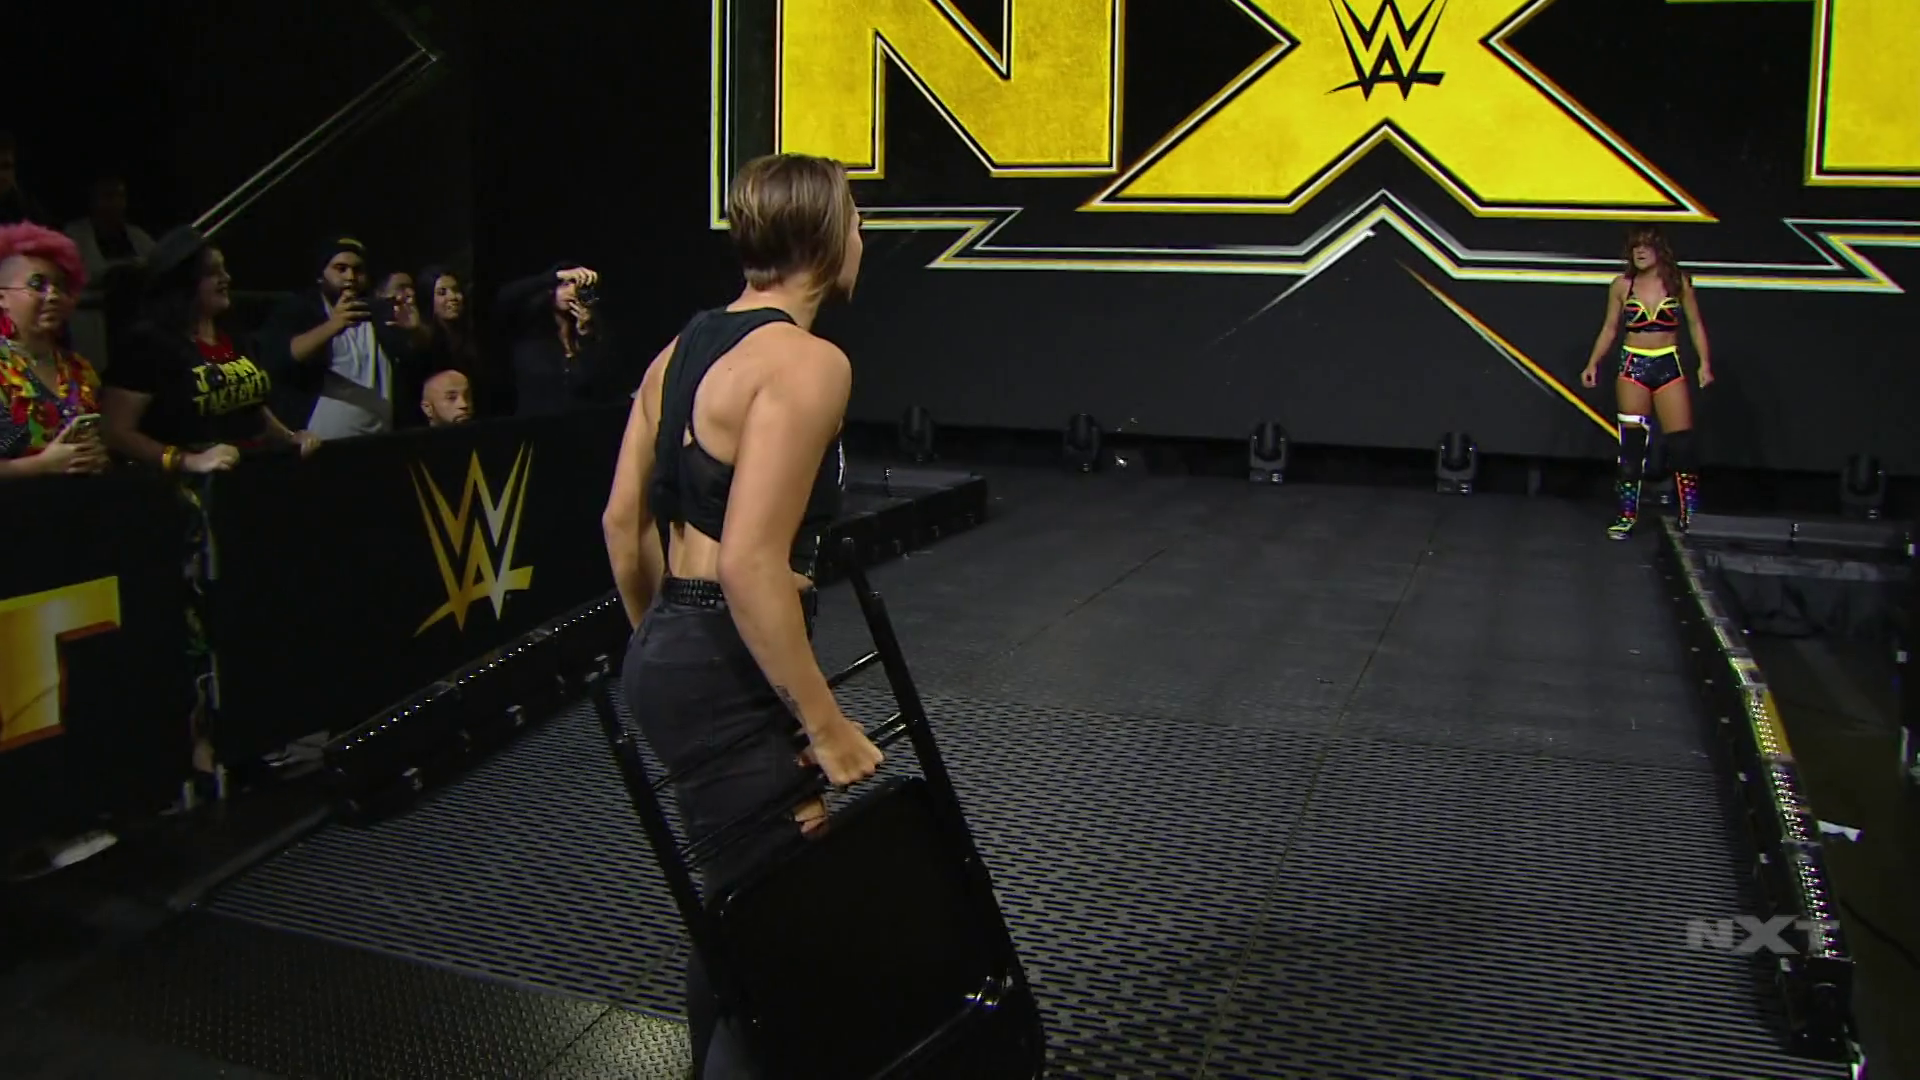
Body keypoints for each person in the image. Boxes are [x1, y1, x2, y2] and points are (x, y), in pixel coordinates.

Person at [602, 153, 882, 1079]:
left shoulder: (679, 353)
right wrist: (827, 726)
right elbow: (750, 564)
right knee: (780, 928)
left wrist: (661, 643)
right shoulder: (808, 364)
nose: (863, 237)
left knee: (740, 907)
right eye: (855, 219)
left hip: (675, 650)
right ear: (824, 238)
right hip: (721, 658)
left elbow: (621, 526)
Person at [102, 227, 319, 472]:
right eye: (212, 272)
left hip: (248, 471)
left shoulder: (232, 335)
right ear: (183, 282)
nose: (226, 278)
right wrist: (187, 461)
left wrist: (289, 437)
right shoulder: (146, 344)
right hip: (184, 483)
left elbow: (250, 406)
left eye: (224, 269)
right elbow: (116, 431)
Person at [1581, 226, 1714, 538]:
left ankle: (1690, 513)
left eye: (1646, 246)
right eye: (1635, 247)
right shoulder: (1621, 285)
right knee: (1632, 446)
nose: (1639, 252)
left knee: (1681, 444)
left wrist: (1705, 363)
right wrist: (1593, 363)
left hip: (1668, 363)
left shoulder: (1678, 282)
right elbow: (1610, 328)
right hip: (1633, 365)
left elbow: (1695, 323)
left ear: (1659, 250)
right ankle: (1627, 515)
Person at [0, 223, 108, 479]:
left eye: (61, 287)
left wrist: (96, 457)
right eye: (37, 284)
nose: (53, 296)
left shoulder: (78, 369)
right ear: (2, 298)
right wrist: (41, 465)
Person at [495, 260, 614, 416]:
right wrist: (554, 276)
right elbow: (505, 296)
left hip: (579, 423)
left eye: (577, 286)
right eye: (564, 285)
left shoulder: (591, 334)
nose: (571, 291)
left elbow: (600, 385)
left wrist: (586, 336)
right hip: (535, 423)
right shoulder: (528, 329)